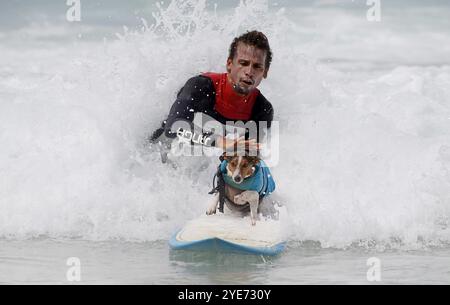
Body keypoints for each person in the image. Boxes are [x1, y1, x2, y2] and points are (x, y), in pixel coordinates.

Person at [150, 30, 274, 157]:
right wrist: (221, 142)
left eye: (257, 66)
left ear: (265, 72)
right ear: (229, 64)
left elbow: (249, 157)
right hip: (154, 155)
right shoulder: (201, 85)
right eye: (243, 63)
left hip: (201, 168)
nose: (249, 71)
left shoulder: (262, 109)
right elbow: (174, 127)